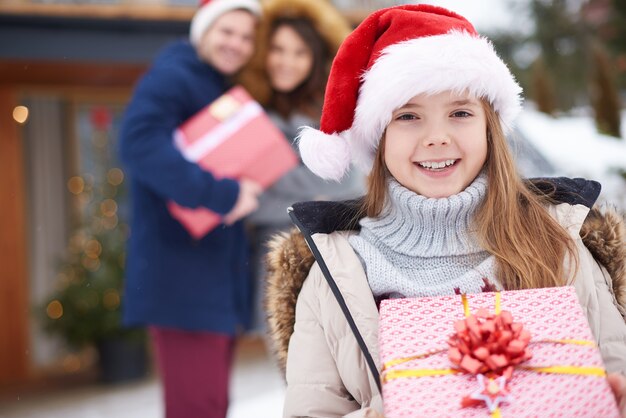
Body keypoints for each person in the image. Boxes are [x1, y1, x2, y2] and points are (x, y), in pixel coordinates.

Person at [262, 5, 626, 417]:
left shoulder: (560, 240)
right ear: (378, 139)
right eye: (409, 116)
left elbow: (613, 369)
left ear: (490, 127)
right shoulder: (336, 272)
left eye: (460, 113)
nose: (437, 137)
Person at [118, 1, 262, 417]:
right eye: (226, 31)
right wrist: (224, 194)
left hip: (212, 280)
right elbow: (139, 144)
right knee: (197, 407)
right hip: (182, 279)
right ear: (203, 31)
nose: (236, 43)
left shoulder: (216, 85)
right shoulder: (173, 77)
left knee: (211, 405)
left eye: (246, 36)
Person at [238, 0, 364, 332]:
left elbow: (348, 182)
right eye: (278, 49)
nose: (286, 62)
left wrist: (273, 183)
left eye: (299, 52)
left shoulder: (334, 111)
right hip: (274, 260)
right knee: (287, 370)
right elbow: (251, 204)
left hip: (333, 256)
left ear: (316, 58)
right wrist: (312, 198)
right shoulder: (251, 114)